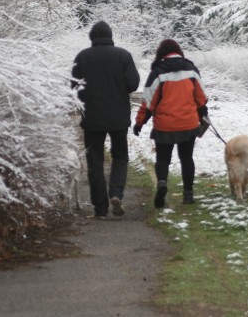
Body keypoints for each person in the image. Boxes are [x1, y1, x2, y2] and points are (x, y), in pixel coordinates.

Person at [71, 21, 140, 219]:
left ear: (91, 37)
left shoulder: (82, 57)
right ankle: (116, 193)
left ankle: (100, 209)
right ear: (111, 36)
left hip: (92, 117)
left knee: (95, 161)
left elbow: (74, 88)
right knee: (120, 156)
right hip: (118, 116)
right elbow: (133, 84)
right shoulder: (123, 56)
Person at [133, 39, 208, 208]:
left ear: (161, 53)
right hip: (188, 123)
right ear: (178, 51)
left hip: (164, 125)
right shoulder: (191, 69)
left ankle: (162, 183)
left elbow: (148, 101)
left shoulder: (158, 72)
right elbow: (201, 96)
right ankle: (188, 194)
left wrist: (139, 123)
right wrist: (203, 111)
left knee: (163, 159)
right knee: (187, 158)